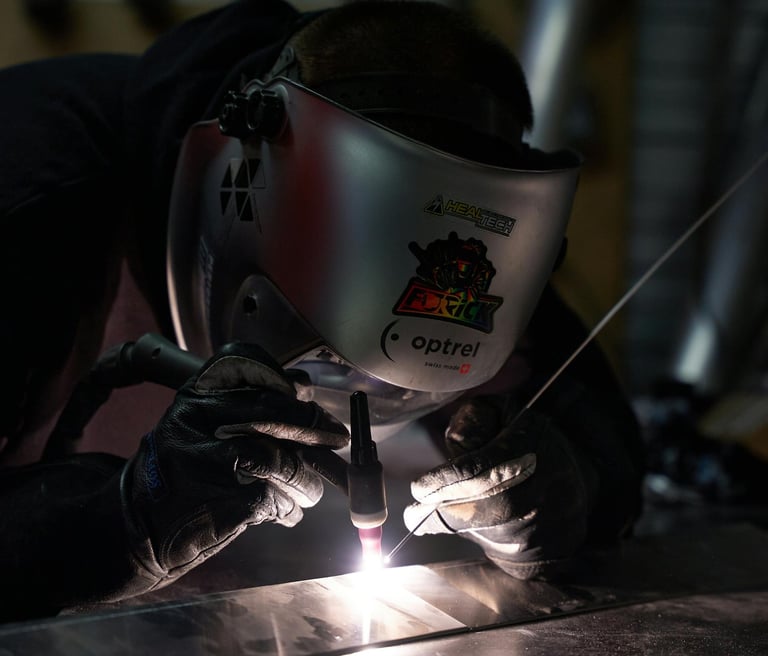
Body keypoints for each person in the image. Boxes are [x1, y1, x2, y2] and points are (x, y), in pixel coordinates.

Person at [0, 0, 645, 622]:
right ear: (246, 202)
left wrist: (563, 493)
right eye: (329, 350)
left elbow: (607, 456)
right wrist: (121, 516)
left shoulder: (471, 238)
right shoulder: (36, 199)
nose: (369, 390)